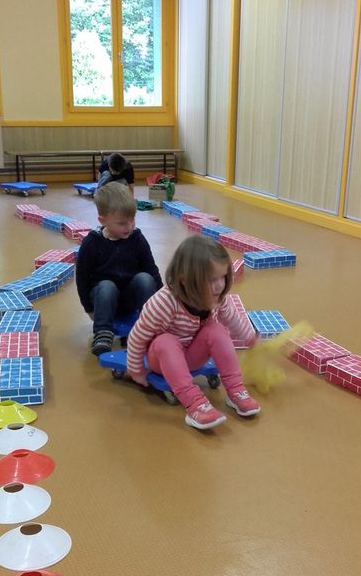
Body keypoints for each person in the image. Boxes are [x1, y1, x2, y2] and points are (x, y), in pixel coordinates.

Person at [126, 235, 261, 430]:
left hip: (191, 355)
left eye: (223, 277)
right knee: (166, 340)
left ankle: (235, 390)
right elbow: (138, 336)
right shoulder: (163, 302)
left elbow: (232, 318)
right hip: (162, 361)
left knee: (216, 329)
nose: (220, 285)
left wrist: (249, 337)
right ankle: (194, 403)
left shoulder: (217, 297)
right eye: (212, 280)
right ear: (184, 280)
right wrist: (136, 369)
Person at [76, 182, 162, 356]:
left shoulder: (137, 238)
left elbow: (152, 270)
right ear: (103, 220)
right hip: (103, 300)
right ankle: (102, 333)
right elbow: (82, 278)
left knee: (145, 278)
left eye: (133, 220)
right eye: (122, 223)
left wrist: (164, 303)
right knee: (106, 285)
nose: (129, 227)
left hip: (129, 298)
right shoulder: (92, 243)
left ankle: (150, 327)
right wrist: (89, 308)